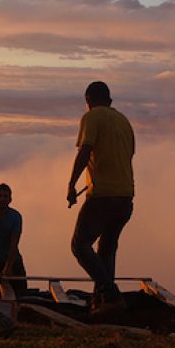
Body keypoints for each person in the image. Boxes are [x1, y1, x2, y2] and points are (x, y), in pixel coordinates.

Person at [66, 81, 135, 311]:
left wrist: (71, 184)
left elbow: (85, 150)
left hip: (102, 196)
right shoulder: (124, 121)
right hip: (125, 197)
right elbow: (127, 155)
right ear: (110, 99)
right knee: (106, 248)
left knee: (80, 245)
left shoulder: (92, 116)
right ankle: (104, 302)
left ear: (88, 100)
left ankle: (109, 293)